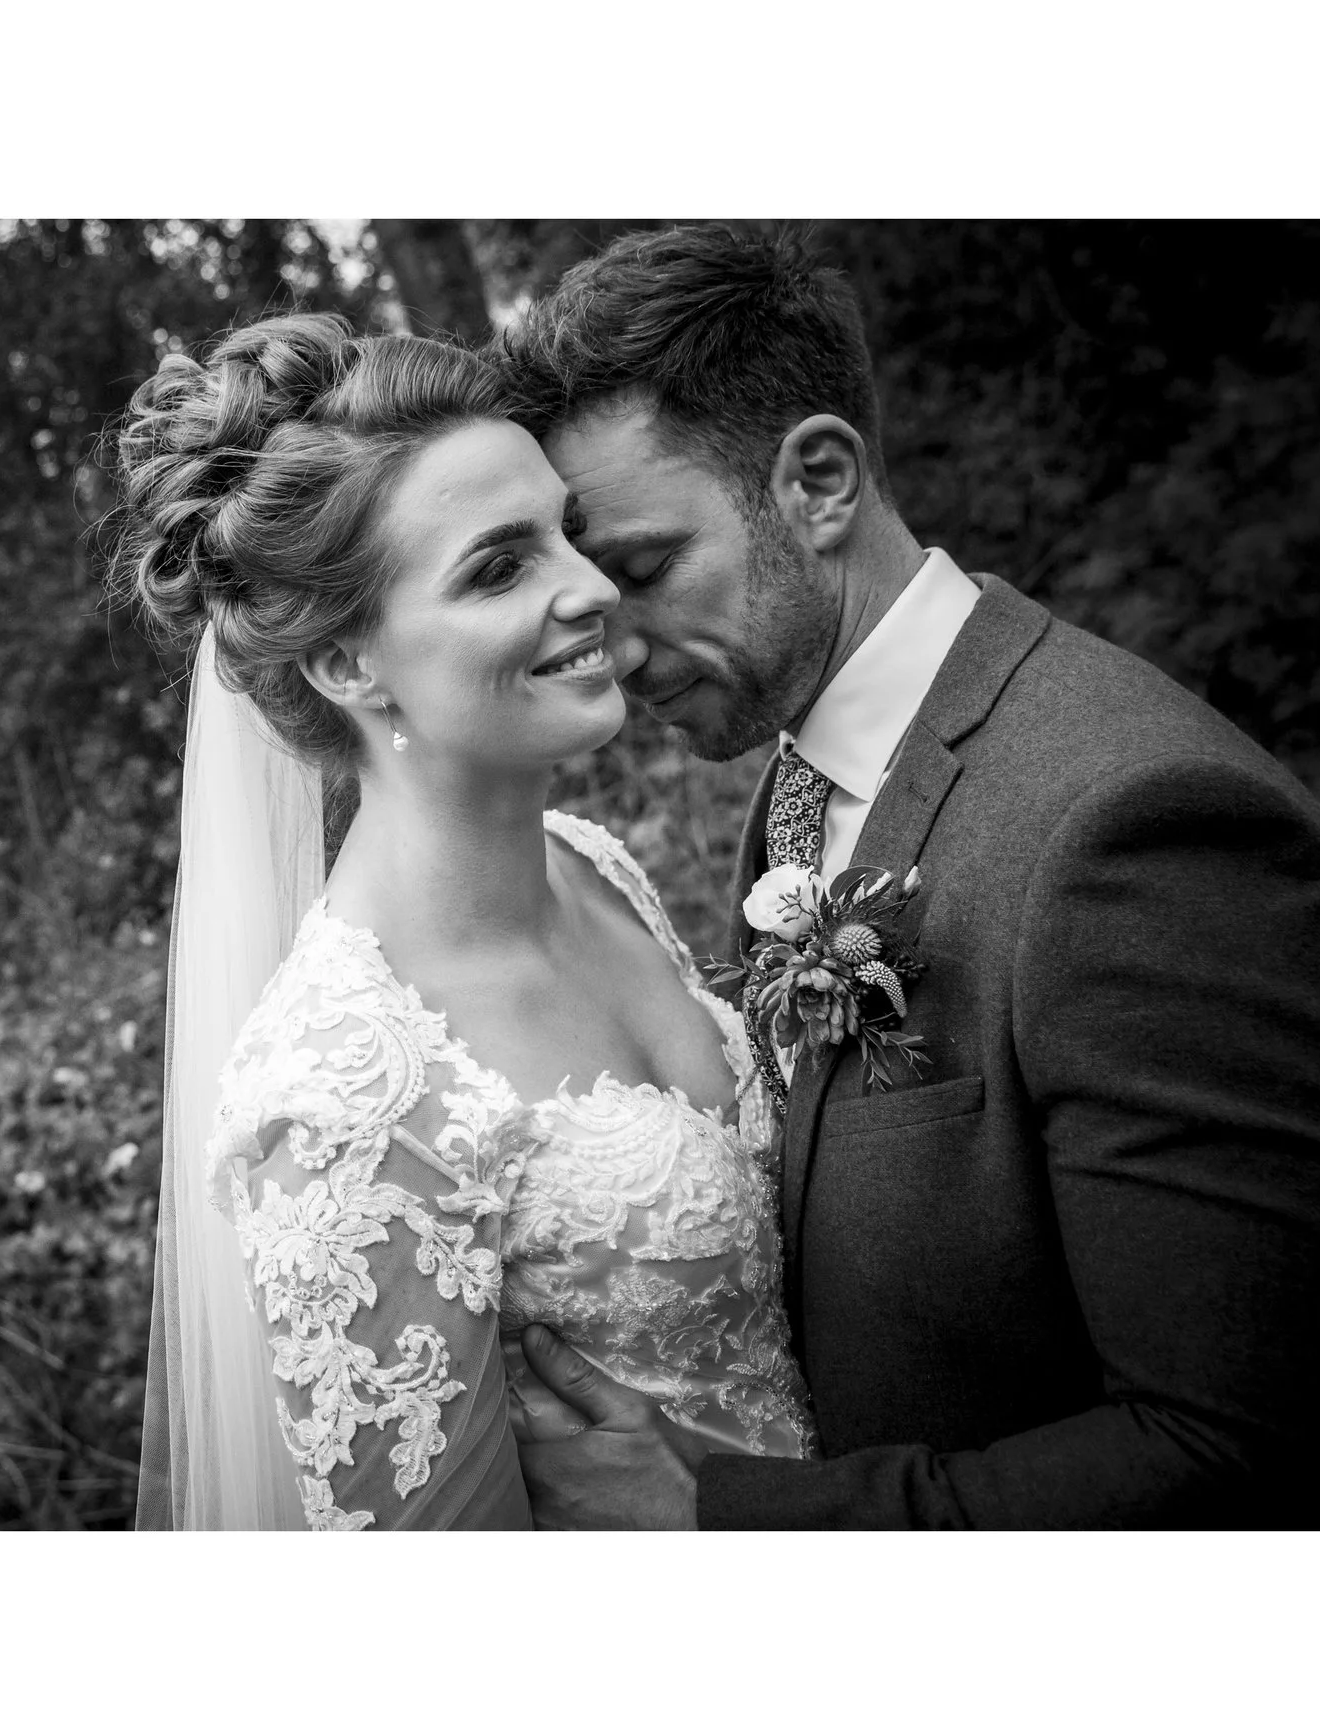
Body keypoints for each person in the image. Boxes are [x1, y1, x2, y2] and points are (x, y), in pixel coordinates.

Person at [492, 224, 1320, 1529]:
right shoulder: (801, 784)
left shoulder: (1135, 827)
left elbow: (1243, 1450)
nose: (616, 643)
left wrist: (716, 1517)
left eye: (646, 570)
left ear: (819, 481)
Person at [118, 312, 812, 1529]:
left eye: (567, 533)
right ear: (347, 664)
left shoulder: (588, 865)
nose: (591, 588)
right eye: (499, 568)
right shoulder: (340, 1097)